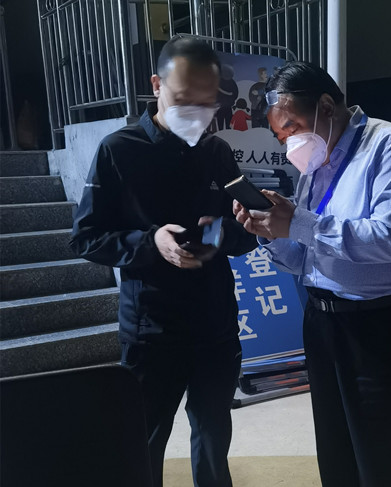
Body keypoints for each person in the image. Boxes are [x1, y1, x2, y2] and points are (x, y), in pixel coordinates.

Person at [233, 61, 391, 487]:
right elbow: (307, 256)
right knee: (336, 447)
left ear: (326, 106)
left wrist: (300, 223)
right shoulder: (315, 165)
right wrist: (271, 233)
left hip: (382, 323)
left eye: (292, 126)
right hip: (323, 323)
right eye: (280, 135)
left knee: (384, 454)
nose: (289, 141)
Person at [70, 35, 257, 487]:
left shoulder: (217, 152)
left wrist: (219, 235)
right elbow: (86, 237)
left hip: (214, 324)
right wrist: (151, 241)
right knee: (145, 440)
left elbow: (248, 229)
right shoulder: (119, 150)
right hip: (152, 329)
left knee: (213, 435)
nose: (196, 113)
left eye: (207, 103)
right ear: (156, 85)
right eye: (183, 99)